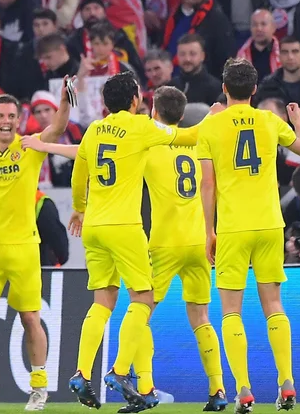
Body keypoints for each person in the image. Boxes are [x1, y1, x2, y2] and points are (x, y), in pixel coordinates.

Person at [22, 72, 200, 408]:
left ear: (105, 103)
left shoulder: (95, 130)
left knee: (102, 301)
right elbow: (185, 137)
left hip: (94, 228)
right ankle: (119, 371)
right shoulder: (141, 127)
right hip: (125, 226)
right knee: (143, 299)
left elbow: (80, 170)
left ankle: (81, 373)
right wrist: (218, 121)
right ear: (135, 101)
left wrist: (78, 208)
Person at [198, 58, 300, 412]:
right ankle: (286, 381)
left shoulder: (211, 127)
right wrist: (298, 124)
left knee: (231, 311)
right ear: (255, 90)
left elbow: (208, 184)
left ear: (225, 89)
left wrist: (208, 231)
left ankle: (243, 389)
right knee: (274, 305)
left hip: (233, 227)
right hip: (270, 225)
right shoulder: (268, 120)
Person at [0, 77, 72, 412]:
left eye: (12, 116)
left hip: (24, 248)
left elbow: (58, 127)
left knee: (30, 319)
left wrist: (65, 100)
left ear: (19, 119)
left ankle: (39, 388)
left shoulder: (32, 145)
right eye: (0, 116)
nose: (6, 121)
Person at [118, 87, 228, 412]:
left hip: (164, 244)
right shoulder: (196, 143)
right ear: (181, 115)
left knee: (141, 312)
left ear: (154, 110)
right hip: (198, 242)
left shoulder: (148, 147)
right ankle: (218, 390)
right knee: (201, 318)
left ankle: (145, 387)